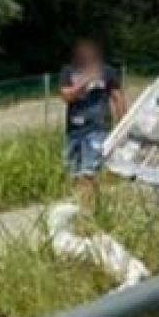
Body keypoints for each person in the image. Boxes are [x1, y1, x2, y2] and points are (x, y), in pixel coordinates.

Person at [59, 37, 124, 210]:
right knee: (73, 174)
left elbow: (117, 98)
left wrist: (122, 124)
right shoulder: (68, 72)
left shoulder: (108, 72)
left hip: (98, 128)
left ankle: (87, 213)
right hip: (74, 130)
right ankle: (83, 207)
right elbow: (66, 96)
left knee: (88, 173)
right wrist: (85, 81)